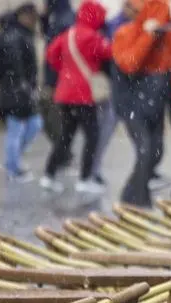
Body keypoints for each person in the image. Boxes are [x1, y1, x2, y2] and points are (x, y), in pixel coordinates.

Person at [112, 0, 171, 207]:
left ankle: (131, 193)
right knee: (145, 150)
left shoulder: (169, 36)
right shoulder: (126, 32)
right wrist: (148, 36)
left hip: (156, 103)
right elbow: (130, 63)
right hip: (133, 104)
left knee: (156, 152)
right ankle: (139, 199)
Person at [40, 0, 112, 194]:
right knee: (92, 137)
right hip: (83, 95)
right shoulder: (93, 37)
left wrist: (64, 72)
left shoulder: (68, 33)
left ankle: (49, 174)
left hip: (64, 93)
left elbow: (51, 54)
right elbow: (108, 53)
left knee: (65, 136)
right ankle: (85, 178)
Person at [0, 3, 43, 185]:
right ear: (23, 17)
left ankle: (13, 161)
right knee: (17, 130)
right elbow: (16, 67)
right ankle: (13, 168)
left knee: (31, 125)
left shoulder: (11, 35)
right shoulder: (14, 37)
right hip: (16, 91)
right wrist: (24, 85)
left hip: (15, 90)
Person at [89, 0, 141, 186]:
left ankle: (147, 166)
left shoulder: (136, 26)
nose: (136, 11)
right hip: (115, 88)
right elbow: (111, 56)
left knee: (138, 132)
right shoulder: (113, 27)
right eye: (134, 8)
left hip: (131, 87)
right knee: (105, 131)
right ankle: (93, 170)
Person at [39, 0, 76, 149]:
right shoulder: (61, 18)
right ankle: (62, 151)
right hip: (60, 78)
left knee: (54, 117)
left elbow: (55, 54)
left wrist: (52, 82)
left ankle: (61, 152)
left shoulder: (63, 21)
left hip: (59, 79)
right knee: (58, 118)